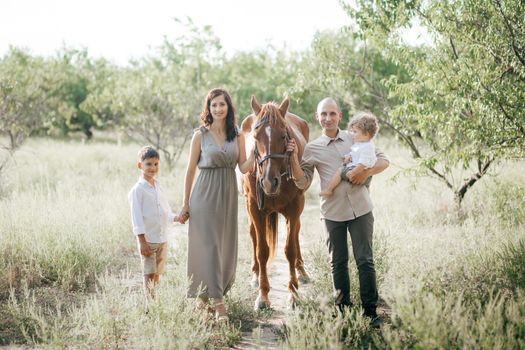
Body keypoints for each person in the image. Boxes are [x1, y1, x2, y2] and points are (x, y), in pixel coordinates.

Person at [288, 98, 389, 328]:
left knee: (365, 260)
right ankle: (343, 312)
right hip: (332, 213)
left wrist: (366, 173)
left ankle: (370, 312)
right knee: (338, 262)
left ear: (340, 116)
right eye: (323, 114)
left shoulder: (356, 137)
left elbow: (384, 160)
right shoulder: (312, 148)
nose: (328, 118)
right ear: (317, 117)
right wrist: (294, 159)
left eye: (332, 113)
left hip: (361, 210)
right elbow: (302, 182)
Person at [178, 88, 254, 322]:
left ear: (229, 107)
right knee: (208, 246)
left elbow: (243, 168)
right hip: (204, 195)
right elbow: (190, 170)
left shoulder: (237, 135)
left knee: (223, 246)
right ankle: (218, 303)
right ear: (208, 109)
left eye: (222, 104)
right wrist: (185, 204)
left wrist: (258, 151)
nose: (218, 108)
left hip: (228, 195)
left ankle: (203, 299)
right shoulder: (200, 135)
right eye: (214, 105)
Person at [128, 145, 181, 299]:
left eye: (156, 164)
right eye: (149, 164)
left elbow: (165, 211)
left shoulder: (158, 186)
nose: (153, 167)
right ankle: (149, 303)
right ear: (140, 165)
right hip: (149, 240)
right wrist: (142, 241)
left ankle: (154, 298)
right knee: (149, 273)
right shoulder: (137, 190)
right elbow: (136, 218)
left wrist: (175, 218)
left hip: (162, 239)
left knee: (157, 273)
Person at [319, 111, 379, 197]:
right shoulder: (360, 143)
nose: (352, 134)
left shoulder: (368, 147)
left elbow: (363, 163)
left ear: (366, 134)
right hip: (358, 170)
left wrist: (353, 172)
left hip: (359, 170)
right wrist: (349, 156)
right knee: (363, 190)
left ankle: (329, 190)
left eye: (355, 132)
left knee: (340, 171)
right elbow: (356, 153)